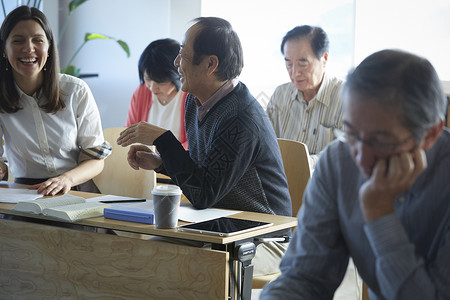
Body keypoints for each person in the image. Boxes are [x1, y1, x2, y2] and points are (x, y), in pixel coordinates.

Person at [260, 49, 450, 299]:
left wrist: (380, 215)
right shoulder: (339, 161)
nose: (360, 156)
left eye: (380, 140)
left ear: (430, 134)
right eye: (351, 133)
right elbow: (304, 278)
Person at [117, 17, 292, 276]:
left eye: (183, 55)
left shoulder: (240, 118)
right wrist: (160, 162)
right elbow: (204, 174)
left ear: (211, 64)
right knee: (142, 258)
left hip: (262, 235)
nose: (176, 63)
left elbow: (203, 194)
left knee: (179, 270)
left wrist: (164, 140)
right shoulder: (196, 101)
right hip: (219, 224)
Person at [0, 6, 111, 195]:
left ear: (49, 48)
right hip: (25, 192)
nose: (29, 48)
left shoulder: (75, 90)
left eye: (38, 40)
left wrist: (65, 179)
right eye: (18, 40)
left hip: (75, 188)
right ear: (4, 49)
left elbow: (96, 160)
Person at [266, 25, 343, 167]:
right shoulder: (280, 95)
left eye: (303, 63)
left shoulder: (345, 98)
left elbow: (346, 154)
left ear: (324, 58)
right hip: (282, 182)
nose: (295, 72)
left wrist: (302, 163)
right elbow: (265, 145)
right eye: (289, 64)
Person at [126, 38, 188, 149]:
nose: (153, 87)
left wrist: (163, 155)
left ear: (176, 75)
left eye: (160, 81)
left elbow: (194, 146)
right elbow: (129, 134)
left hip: (177, 164)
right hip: (143, 164)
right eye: (148, 79)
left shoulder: (190, 97)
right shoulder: (142, 92)